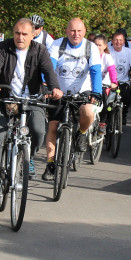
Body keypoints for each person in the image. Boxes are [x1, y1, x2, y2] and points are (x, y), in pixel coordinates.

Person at [0, 18, 63, 195]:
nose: (20, 37)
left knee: (38, 130)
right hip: (5, 98)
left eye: (24, 34)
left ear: (33, 34)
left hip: (31, 99)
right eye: (17, 33)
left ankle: (28, 155)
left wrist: (55, 87)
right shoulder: (2, 48)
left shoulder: (40, 50)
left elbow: (49, 70)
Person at [42, 17, 103, 180]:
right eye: (72, 30)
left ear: (84, 32)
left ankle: (81, 134)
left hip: (82, 92)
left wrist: (96, 92)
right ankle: (50, 164)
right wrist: (46, 84)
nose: (76, 34)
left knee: (88, 111)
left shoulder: (90, 47)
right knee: (53, 127)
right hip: (58, 91)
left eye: (79, 31)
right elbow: (50, 66)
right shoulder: (57, 44)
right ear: (67, 31)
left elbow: (96, 71)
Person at [109, 29, 131, 122]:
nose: (118, 42)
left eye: (120, 40)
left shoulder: (128, 51)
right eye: (116, 40)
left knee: (126, 99)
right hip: (109, 82)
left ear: (124, 41)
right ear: (112, 41)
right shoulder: (108, 50)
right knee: (106, 103)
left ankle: (123, 115)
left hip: (123, 81)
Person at [93, 34, 119, 133]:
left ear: (105, 46)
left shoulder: (107, 57)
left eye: (100, 45)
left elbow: (112, 70)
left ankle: (102, 123)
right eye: (95, 45)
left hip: (103, 83)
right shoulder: (89, 56)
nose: (97, 47)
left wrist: (114, 82)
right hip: (89, 83)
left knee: (104, 100)